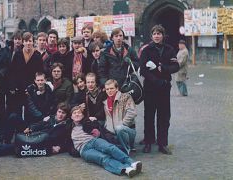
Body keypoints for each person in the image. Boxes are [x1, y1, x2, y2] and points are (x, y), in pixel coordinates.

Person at [0, 103, 71, 162]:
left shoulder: (66, 126)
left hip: (39, 145)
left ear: (66, 115)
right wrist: (31, 128)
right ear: (57, 111)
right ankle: (4, 140)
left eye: (63, 113)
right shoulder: (50, 119)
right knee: (13, 117)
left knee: (5, 149)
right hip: (32, 136)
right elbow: (39, 125)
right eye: (59, 112)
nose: (60, 115)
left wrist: (60, 148)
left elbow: (68, 142)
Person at [139, 25, 179, 155]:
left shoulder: (169, 49)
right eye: (154, 33)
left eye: (159, 33)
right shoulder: (146, 50)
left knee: (164, 116)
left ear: (163, 35)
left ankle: (163, 143)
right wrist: (156, 81)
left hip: (164, 88)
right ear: (151, 36)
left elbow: (176, 66)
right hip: (150, 88)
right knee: (149, 116)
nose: (156, 36)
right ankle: (149, 142)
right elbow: (143, 70)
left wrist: (165, 68)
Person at [70, 106, 142, 177]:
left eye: (79, 113)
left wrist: (93, 120)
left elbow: (100, 129)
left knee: (110, 148)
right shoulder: (68, 127)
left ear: (82, 115)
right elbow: (64, 141)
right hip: (84, 149)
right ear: (71, 117)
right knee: (103, 157)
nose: (77, 114)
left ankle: (132, 163)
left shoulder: (88, 122)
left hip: (94, 140)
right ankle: (126, 169)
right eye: (74, 113)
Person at [5, 32, 43, 142]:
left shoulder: (37, 55)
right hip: (18, 89)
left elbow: (39, 72)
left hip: (30, 89)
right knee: (16, 112)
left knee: (29, 112)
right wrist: (13, 86)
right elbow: (12, 72)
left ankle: (27, 134)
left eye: (30, 41)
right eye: (26, 41)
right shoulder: (17, 54)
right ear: (23, 42)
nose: (28, 43)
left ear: (33, 42)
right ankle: (16, 134)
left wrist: (33, 87)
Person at [102, 79, 137, 154]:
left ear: (117, 88)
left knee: (119, 128)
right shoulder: (105, 102)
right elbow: (108, 119)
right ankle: (120, 147)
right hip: (114, 133)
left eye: (111, 88)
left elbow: (132, 112)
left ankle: (127, 150)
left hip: (127, 130)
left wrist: (122, 124)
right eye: (107, 89)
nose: (109, 91)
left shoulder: (126, 97)